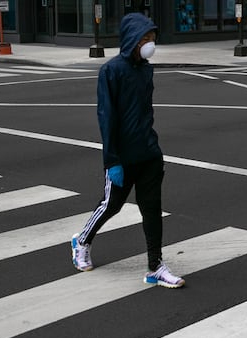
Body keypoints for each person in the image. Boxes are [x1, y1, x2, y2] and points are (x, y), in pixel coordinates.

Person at [71, 12, 185, 289]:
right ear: (132, 40)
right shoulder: (111, 71)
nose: (150, 44)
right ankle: (82, 240)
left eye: (152, 38)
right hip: (123, 157)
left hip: (148, 154)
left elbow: (146, 112)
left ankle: (155, 267)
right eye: (145, 38)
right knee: (112, 205)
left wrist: (155, 152)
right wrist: (112, 161)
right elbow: (106, 118)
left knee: (152, 210)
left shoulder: (147, 70)